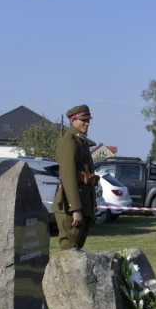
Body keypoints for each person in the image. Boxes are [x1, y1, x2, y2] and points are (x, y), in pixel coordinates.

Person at [54, 104, 98, 250]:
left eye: (88, 120)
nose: (87, 123)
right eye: (83, 120)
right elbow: (68, 178)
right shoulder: (69, 142)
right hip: (70, 209)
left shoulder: (80, 141)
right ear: (73, 121)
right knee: (69, 253)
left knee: (76, 252)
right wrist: (76, 209)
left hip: (83, 206)